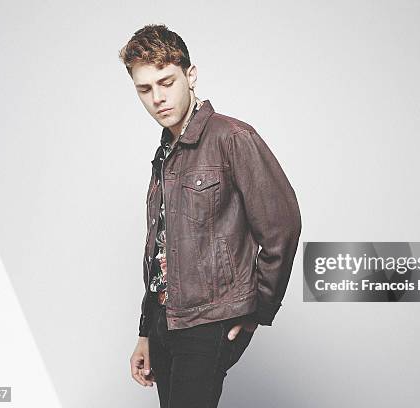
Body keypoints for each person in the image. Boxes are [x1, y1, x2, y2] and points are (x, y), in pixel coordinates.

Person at [118, 24, 302, 408]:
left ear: (191, 75)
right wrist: (146, 332)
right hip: (165, 322)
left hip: (209, 323)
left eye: (166, 82)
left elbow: (282, 227)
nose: (158, 98)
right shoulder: (166, 152)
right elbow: (161, 246)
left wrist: (257, 310)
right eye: (145, 89)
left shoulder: (233, 138)